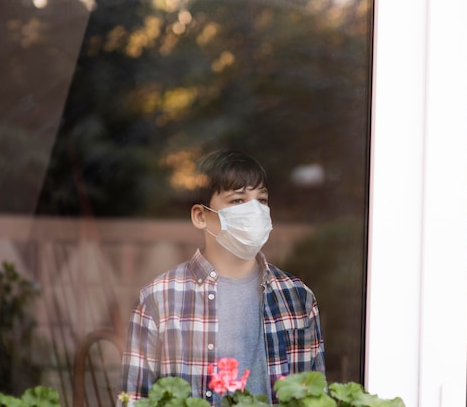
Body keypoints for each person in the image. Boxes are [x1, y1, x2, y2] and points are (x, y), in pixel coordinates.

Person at [120, 149, 325, 406]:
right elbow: (133, 400)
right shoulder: (159, 299)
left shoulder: (297, 297)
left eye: (261, 200)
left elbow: (317, 398)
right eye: (238, 200)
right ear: (200, 216)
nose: (254, 211)